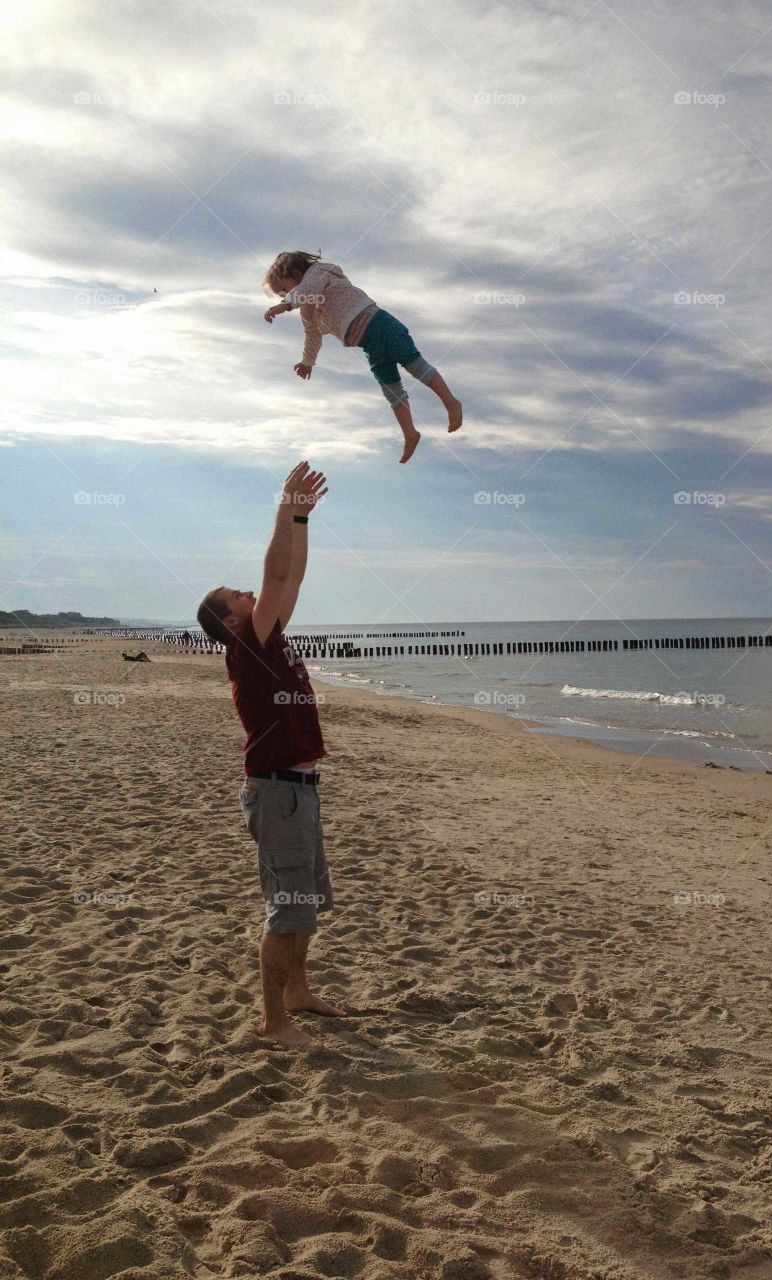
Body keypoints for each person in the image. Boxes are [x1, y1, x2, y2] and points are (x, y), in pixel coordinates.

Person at [196, 462, 345, 1048]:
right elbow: (276, 572)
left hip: (298, 790)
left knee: (306, 903)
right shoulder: (246, 647)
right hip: (277, 792)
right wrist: (283, 505)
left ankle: (297, 994)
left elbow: (291, 578)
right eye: (236, 594)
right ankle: (273, 1023)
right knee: (288, 909)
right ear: (230, 620)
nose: (249, 591)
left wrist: (301, 518)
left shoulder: (267, 639)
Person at [262, 250, 463, 464]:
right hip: (369, 346)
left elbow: (308, 288)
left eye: (283, 289)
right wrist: (307, 362)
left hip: (382, 326)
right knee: (391, 390)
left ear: (294, 272)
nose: (284, 296)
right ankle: (410, 433)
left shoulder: (319, 272)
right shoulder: (307, 308)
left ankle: (450, 402)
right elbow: (312, 334)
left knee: (415, 365)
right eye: (281, 295)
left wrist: (284, 305)